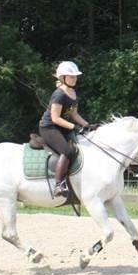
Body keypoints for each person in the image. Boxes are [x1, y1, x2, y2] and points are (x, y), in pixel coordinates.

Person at [39, 61, 92, 197]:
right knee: (67, 151)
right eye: (71, 76)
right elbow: (55, 118)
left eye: (75, 76)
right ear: (62, 78)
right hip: (49, 128)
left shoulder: (72, 92)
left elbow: (74, 114)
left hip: (62, 127)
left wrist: (87, 125)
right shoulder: (59, 94)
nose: (74, 79)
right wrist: (74, 127)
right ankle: (59, 185)